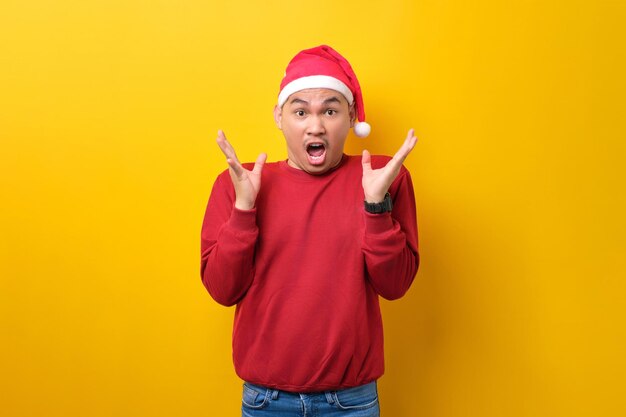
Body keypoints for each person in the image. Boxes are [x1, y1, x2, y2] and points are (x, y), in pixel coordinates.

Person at [200, 45, 419, 417]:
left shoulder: (379, 179)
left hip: (352, 401)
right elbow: (222, 290)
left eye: (330, 111)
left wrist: (376, 207)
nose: (316, 125)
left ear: (350, 117)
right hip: (266, 400)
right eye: (300, 111)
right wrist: (243, 210)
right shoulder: (239, 183)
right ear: (279, 117)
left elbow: (395, 286)